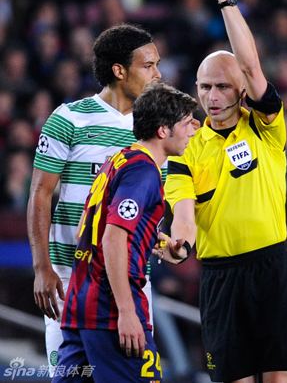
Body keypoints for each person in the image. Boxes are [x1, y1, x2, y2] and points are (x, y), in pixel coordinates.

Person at [159, 0, 287, 383]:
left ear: (241, 89)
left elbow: (251, 64)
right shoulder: (185, 150)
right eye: (204, 87)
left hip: (271, 269)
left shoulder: (266, 127)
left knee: (282, 378)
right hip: (221, 279)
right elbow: (184, 213)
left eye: (222, 86)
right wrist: (179, 245)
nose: (212, 96)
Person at [27, 24, 162, 374]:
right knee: (72, 376)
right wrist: (42, 267)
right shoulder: (68, 118)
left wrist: (162, 242)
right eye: (148, 65)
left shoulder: (153, 132)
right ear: (119, 70)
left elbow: (137, 212)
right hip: (69, 276)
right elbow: (40, 195)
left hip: (130, 279)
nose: (158, 74)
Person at [53, 81, 197, 382]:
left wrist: (151, 239)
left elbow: (94, 223)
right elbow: (114, 236)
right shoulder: (144, 171)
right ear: (162, 130)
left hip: (81, 301)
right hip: (110, 308)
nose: (193, 130)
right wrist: (127, 311)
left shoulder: (119, 159)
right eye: (185, 123)